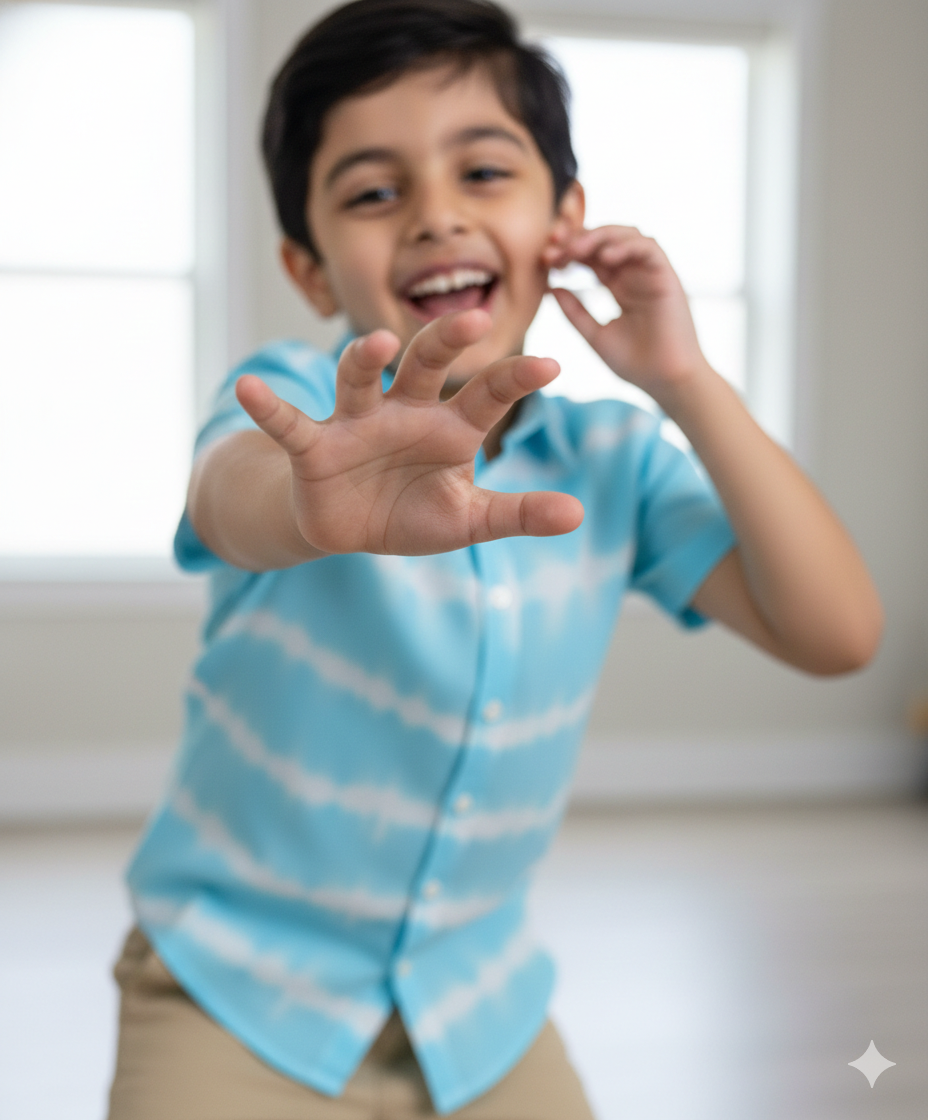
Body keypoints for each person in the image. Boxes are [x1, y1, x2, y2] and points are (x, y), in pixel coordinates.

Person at [107, 1, 883, 1117]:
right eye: (373, 192)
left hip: (477, 1011)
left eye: (482, 172)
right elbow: (228, 499)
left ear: (564, 217)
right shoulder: (293, 411)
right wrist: (309, 503)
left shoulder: (613, 460)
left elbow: (837, 634)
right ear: (311, 268)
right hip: (230, 991)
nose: (432, 216)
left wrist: (685, 381)